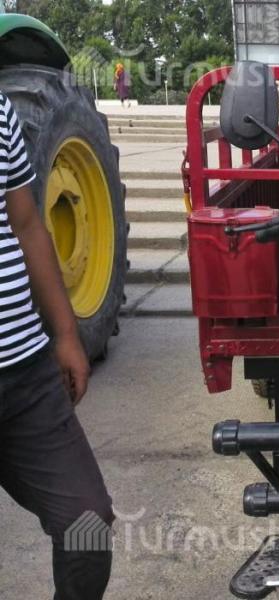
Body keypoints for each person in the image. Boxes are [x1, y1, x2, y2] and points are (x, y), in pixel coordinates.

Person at [0, 93, 113, 599]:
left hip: (25, 371)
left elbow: (26, 225)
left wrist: (66, 333)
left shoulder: (1, 110)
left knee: (86, 522)